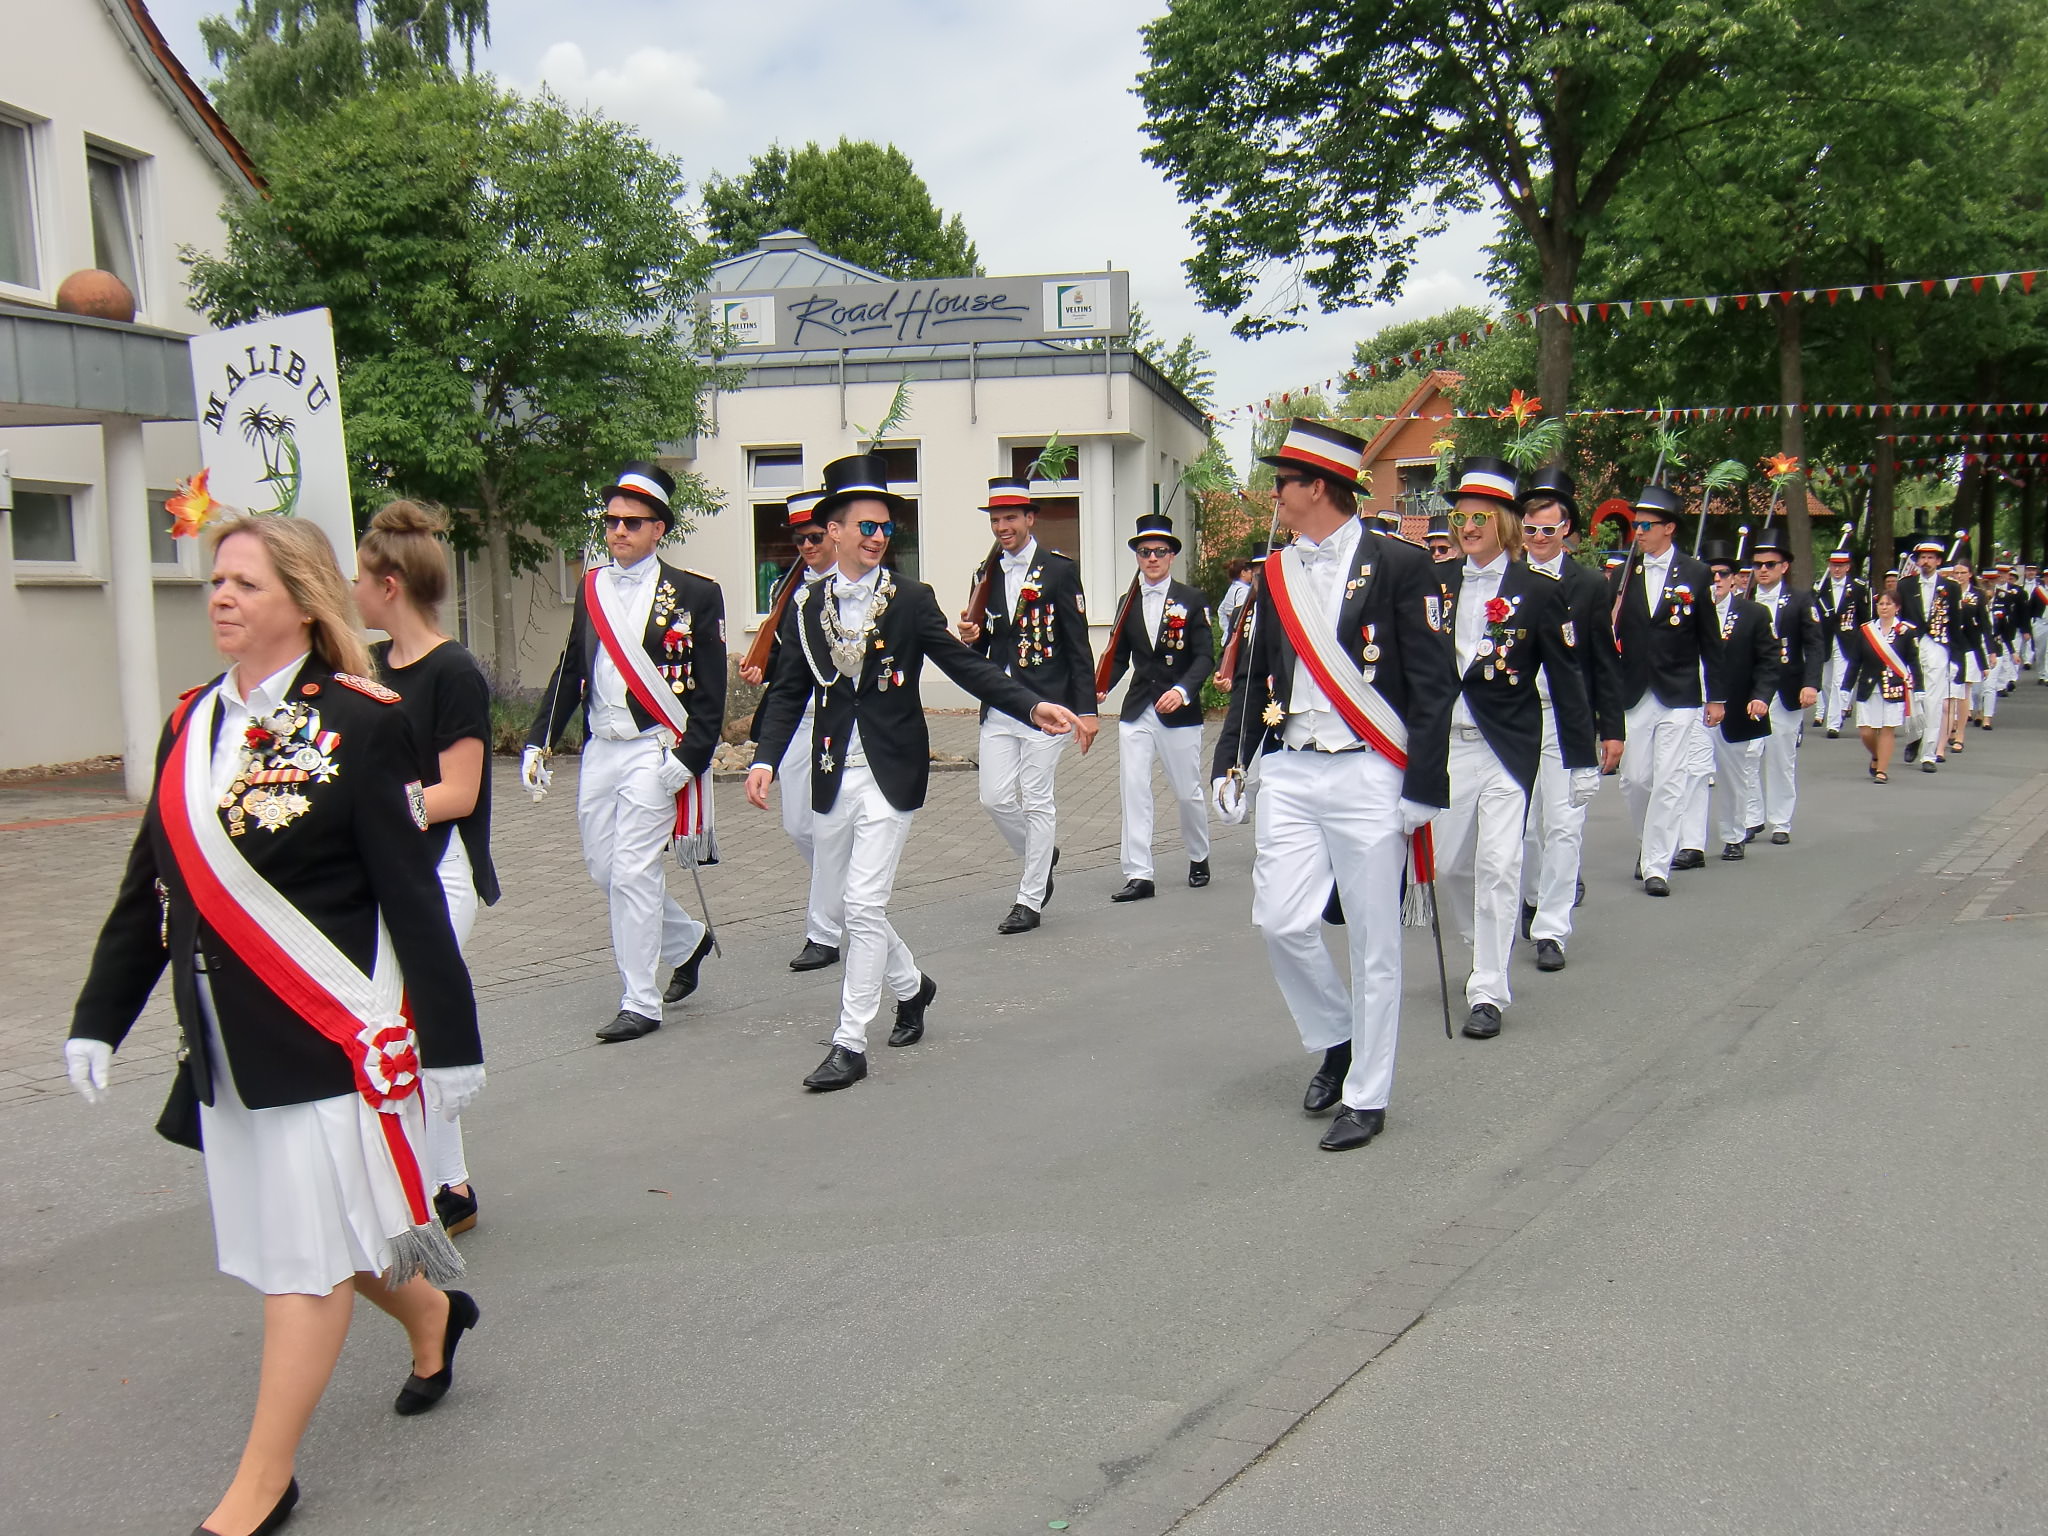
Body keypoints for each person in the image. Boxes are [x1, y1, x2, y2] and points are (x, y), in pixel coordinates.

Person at [67, 514, 483, 1536]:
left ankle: (263, 1484)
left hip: (325, 1038)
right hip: (227, 1045)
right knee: (308, 1234)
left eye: (245, 583)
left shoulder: (364, 721)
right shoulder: (189, 724)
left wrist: (448, 1042)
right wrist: (98, 1018)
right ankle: (433, 1312)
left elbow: (410, 894)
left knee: (300, 1261)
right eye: (216, 580)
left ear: (301, 600)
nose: (221, 596)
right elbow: (152, 886)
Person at [750, 455, 1083, 1092]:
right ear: (835, 530)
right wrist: (765, 758)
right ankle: (912, 986)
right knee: (842, 904)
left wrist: (1029, 703)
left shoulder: (909, 599)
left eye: (886, 527)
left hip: (891, 769)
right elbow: (789, 689)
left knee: (863, 903)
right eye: (867, 526)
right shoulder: (806, 604)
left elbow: (964, 664)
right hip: (831, 768)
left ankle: (850, 1041)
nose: (879, 536)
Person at [1209, 419, 1457, 1152]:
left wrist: (1424, 784)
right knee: (1281, 921)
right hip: (1291, 764)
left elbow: (1433, 685)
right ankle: (1338, 1036)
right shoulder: (1275, 572)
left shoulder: (1402, 565)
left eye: (1282, 482)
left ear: (1318, 487)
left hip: (1368, 766)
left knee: (1375, 940)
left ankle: (1367, 1094)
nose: (1274, 495)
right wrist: (1231, 762)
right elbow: (1255, 677)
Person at [522, 461, 726, 1042]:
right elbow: (570, 671)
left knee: (634, 872)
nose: (618, 531)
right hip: (601, 748)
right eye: (611, 521)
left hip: (653, 749)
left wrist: (689, 759)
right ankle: (687, 941)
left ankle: (640, 1000)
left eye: (631, 522)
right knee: (605, 869)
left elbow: (710, 691)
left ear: (658, 529)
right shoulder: (591, 589)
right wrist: (539, 738)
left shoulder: (695, 593)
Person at [356, 500, 498, 1239]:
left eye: (359, 577)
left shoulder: (454, 671)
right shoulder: (366, 668)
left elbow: (458, 793)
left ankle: (440, 1185)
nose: (352, 590)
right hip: (389, 866)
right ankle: (445, 1183)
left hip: (442, 870)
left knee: (410, 1017)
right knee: (398, 1023)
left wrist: (377, 807)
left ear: (389, 587)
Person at [1435, 460, 1597, 1039]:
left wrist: (1581, 757)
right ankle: (1483, 943)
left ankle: (1488, 987)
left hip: (1507, 746)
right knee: (1449, 866)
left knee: (1499, 865)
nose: (1468, 527)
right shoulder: (1437, 584)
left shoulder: (1539, 591)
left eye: (1480, 517)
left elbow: (1568, 678)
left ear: (1503, 523)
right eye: (1461, 517)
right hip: (1448, 748)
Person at [957, 478, 1099, 934]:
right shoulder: (985, 573)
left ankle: (1030, 898)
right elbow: (984, 643)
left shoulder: (1058, 570)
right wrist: (971, 638)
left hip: (1049, 704)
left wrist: (1087, 710)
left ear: (1030, 519)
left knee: (1037, 798)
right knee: (994, 797)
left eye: (1011, 518)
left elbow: (1077, 645)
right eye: (996, 520)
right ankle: (1042, 852)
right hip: (1001, 702)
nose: (1003, 527)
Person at [1517, 470, 1625, 972]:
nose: (1538, 538)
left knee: (1563, 823)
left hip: (1568, 717)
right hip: (1515, 717)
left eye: (1548, 529)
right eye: (1530, 529)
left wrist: (1612, 728)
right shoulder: (1506, 578)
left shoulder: (1589, 585)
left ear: (1566, 531)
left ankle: (1552, 929)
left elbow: (1604, 660)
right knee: (1524, 827)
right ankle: (1532, 895)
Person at [739, 488, 844, 971]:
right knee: (799, 825)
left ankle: (823, 932)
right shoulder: (790, 587)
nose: (806, 546)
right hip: (799, 718)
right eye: (799, 539)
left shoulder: (857, 586)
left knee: (827, 827)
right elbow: (788, 656)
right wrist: (763, 666)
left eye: (814, 536)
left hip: (844, 719)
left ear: (835, 534)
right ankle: (847, 898)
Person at [1609, 485, 1724, 896]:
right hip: (1634, 690)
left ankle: (1657, 864)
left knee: (1671, 779)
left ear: (1669, 528)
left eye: (1646, 525)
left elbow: (1710, 637)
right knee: (1636, 779)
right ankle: (1648, 844)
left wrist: (1717, 695)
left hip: (1679, 692)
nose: (1638, 532)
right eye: (1636, 525)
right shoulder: (1624, 574)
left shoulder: (1696, 573)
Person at [1098, 512, 1215, 901]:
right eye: (1145, 551)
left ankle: (1198, 855)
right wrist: (1099, 687)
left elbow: (1204, 657)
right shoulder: (1127, 602)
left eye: (1159, 551)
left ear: (1171, 556)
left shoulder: (1192, 599)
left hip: (1179, 710)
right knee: (1134, 789)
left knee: (1187, 791)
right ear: (1137, 556)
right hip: (1137, 709)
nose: (1152, 558)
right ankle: (1139, 873)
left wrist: (1183, 691)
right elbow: (1119, 656)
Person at [1703, 542, 1779, 862]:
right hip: (1693, 707)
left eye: (1723, 574)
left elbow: (1769, 660)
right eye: (1710, 574)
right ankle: (1689, 843)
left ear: (1734, 578)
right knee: (1690, 776)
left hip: (1735, 707)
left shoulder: (1753, 614)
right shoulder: (1688, 611)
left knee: (1732, 776)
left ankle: (1734, 835)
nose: (1716, 579)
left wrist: (1760, 696)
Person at [1747, 531, 1823, 844]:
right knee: (1747, 754)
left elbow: (1815, 645)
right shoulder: (1745, 600)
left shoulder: (1800, 600)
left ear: (1784, 567)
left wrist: (1811, 684)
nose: (1763, 570)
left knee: (1780, 756)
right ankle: (1751, 817)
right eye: (1757, 565)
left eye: (1770, 564)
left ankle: (1780, 820)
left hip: (1786, 687)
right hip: (1751, 688)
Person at [1843, 587, 1923, 781]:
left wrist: (1919, 687)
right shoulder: (1866, 630)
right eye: (1881, 604)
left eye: (1888, 604)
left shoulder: (1906, 632)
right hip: (1868, 686)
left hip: (1894, 686)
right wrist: (1846, 687)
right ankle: (1877, 755)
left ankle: (1882, 770)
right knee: (1866, 731)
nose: (1884, 607)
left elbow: (1913, 661)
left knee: (1888, 728)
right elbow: (1855, 661)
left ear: (1897, 607)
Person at [1895, 537, 1959, 771]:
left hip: (1938, 646)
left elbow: (1956, 623)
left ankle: (1929, 754)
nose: (1926, 561)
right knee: (1913, 698)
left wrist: (1957, 658)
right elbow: (1899, 618)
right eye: (1922, 557)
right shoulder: (1905, 585)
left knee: (1934, 700)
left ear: (1938, 561)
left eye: (1931, 558)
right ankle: (1915, 737)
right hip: (1913, 645)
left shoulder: (1951, 587)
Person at [1812, 542, 1869, 735]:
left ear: (1848, 567)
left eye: (1841, 565)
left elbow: (1864, 617)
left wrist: (1863, 642)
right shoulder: (1820, 587)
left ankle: (1833, 724)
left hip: (1847, 639)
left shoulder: (1858, 587)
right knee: (1825, 682)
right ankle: (1835, 711)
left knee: (1839, 681)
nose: (1837, 569)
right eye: (1834, 565)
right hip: (1825, 639)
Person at [1216, 558, 1255, 651]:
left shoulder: (1234, 588)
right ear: (1243, 573)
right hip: (1236, 640)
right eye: (1250, 570)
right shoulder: (1242, 591)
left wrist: (1226, 628)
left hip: (1229, 638)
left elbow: (1221, 610)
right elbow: (1241, 614)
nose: (1252, 573)